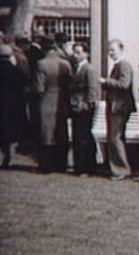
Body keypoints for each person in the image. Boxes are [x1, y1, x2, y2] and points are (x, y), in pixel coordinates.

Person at [35, 36, 72, 173]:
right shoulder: (66, 64)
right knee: (61, 132)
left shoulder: (41, 64)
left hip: (47, 100)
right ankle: (61, 164)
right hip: (62, 100)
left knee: (46, 132)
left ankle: (46, 165)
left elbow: (39, 88)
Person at [100, 39, 136, 180]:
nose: (110, 53)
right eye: (109, 50)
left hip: (119, 107)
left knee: (115, 137)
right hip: (116, 106)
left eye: (113, 50)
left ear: (121, 49)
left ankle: (121, 169)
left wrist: (105, 82)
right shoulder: (118, 65)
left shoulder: (124, 65)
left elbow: (124, 84)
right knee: (114, 137)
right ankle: (115, 166)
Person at [69, 43, 99, 176]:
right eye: (74, 52)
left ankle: (86, 167)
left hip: (84, 107)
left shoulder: (89, 69)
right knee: (79, 136)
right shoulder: (77, 68)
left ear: (86, 53)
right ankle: (80, 166)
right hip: (76, 106)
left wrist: (87, 104)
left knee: (83, 137)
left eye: (78, 52)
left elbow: (92, 89)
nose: (75, 55)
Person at [0, 45, 26, 168]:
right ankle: (9, 159)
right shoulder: (16, 70)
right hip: (12, 106)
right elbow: (22, 88)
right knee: (10, 133)